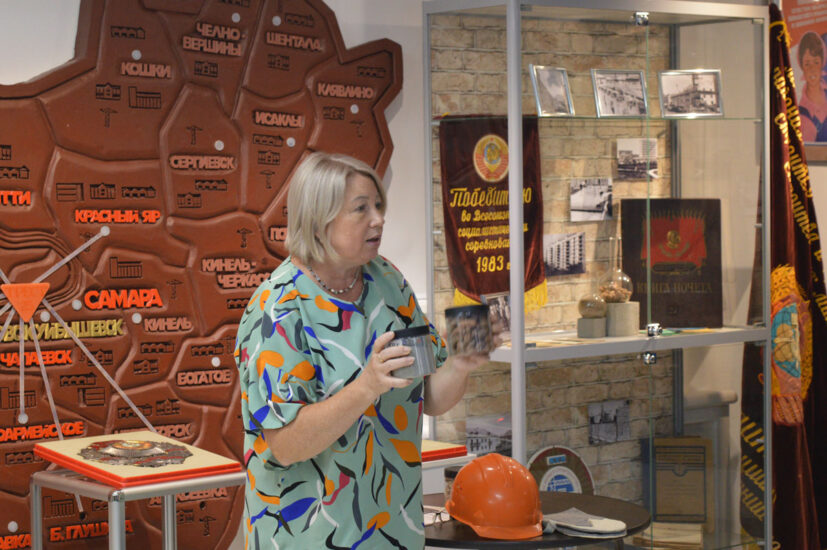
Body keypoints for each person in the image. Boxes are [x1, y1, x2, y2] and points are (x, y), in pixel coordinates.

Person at [234, 151, 491, 549]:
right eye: (361, 208)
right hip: (308, 535)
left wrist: (459, 364)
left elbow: (431, 398)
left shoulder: (388, 281)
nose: (378, 218)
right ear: (319, 220)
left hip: (393, 529)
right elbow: (285, 445)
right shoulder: (277, 309)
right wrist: (367, 386)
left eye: (378, 205)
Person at [798, 31, 827, 142]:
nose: (812, 69)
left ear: (822, 63)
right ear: (801, 66)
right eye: (807, 64)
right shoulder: (801, 111)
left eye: (816, 62)